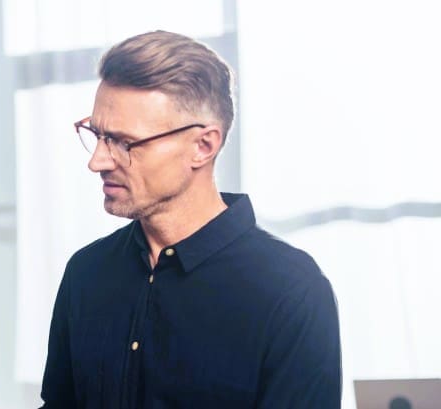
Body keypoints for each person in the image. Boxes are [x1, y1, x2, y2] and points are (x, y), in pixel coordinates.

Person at [40, 31, 342, 408]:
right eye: (97, 135)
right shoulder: (86, 272)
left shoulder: (291, 290)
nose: (97, 160)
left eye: (124, 142)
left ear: (203, 146)